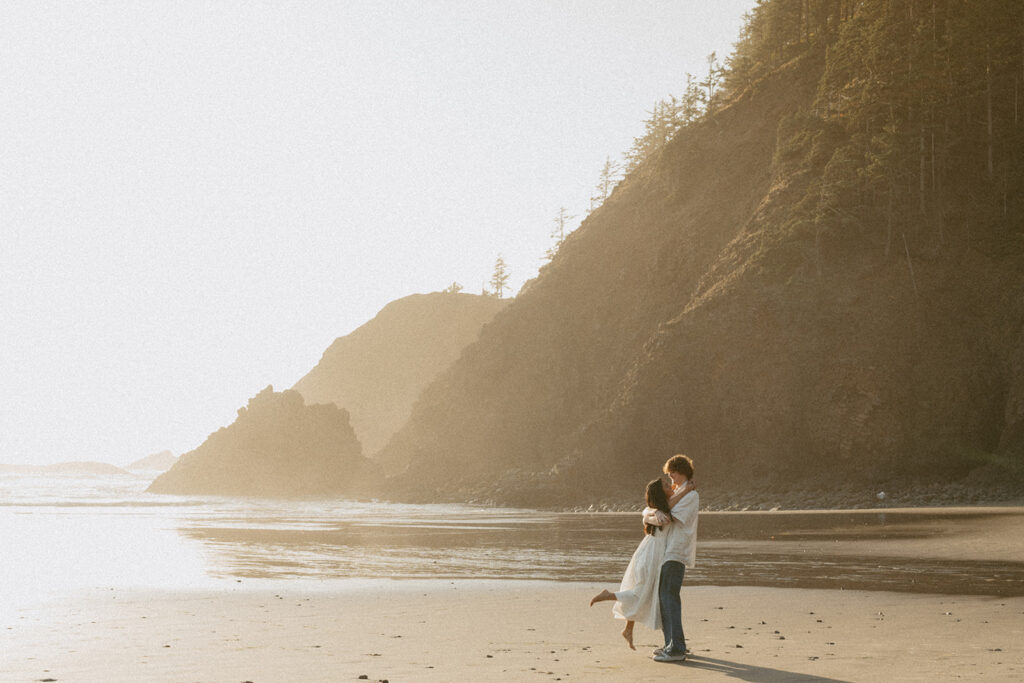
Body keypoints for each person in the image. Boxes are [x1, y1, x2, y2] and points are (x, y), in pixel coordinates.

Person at [589, 476, 695, 649]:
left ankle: (628, 628)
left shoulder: (655, 510)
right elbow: (663, 516)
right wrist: (686, 490)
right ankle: (609, 595)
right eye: (667, 486)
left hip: (649, 553)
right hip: (651, 555)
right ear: (660, 494)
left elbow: (653, 511)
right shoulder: (658, 511)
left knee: (642, 591)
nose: (671, 487)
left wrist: (653, 510)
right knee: (641, 592)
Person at [645, 454, 698, 663]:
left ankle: (676, 648)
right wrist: (650, 513)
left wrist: (655, 512)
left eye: (672, 473)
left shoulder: (691, 495)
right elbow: (653, 507)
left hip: (676, 552)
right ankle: (673, 644)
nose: (670, 478)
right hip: (667, 552)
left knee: (669, 597)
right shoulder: (679, 493)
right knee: (665, 597)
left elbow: (668, 517)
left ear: (681, 471)